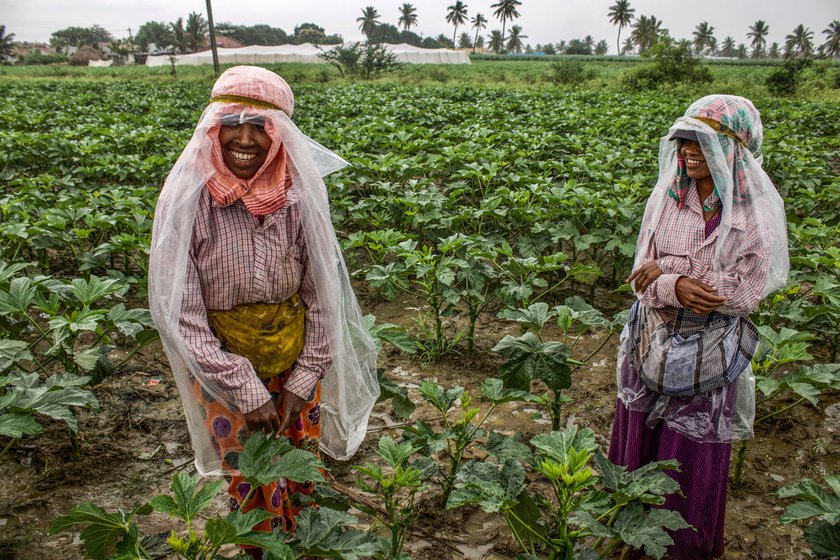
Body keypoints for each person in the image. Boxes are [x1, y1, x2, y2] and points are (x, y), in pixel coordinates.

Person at [148, 66, 379, 554]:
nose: (246, 138)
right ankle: (265, 549)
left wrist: (302, 378)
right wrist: (243, 387)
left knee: (299, 465)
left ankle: (304, 541)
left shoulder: (298, 194)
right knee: (252, 476)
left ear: (281, 135)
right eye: (233, 122)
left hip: (295, 357)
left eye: (262, 125)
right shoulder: (187, 199)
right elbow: (181, 311)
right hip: (222, 366)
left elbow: (322, 294)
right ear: (213, 126)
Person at [609, 95, 789, 560]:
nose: (687, 151)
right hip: (652, 334)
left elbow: (747, 292)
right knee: (639, 436)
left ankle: (679, 547)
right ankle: (631, 536)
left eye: (700, 142)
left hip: (711, 349)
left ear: (732, 151)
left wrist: (678, 274)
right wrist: (674, 282)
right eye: (684, 141)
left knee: (689, 446)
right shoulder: (669, 200)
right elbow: (642, 276)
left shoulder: (751, 217)